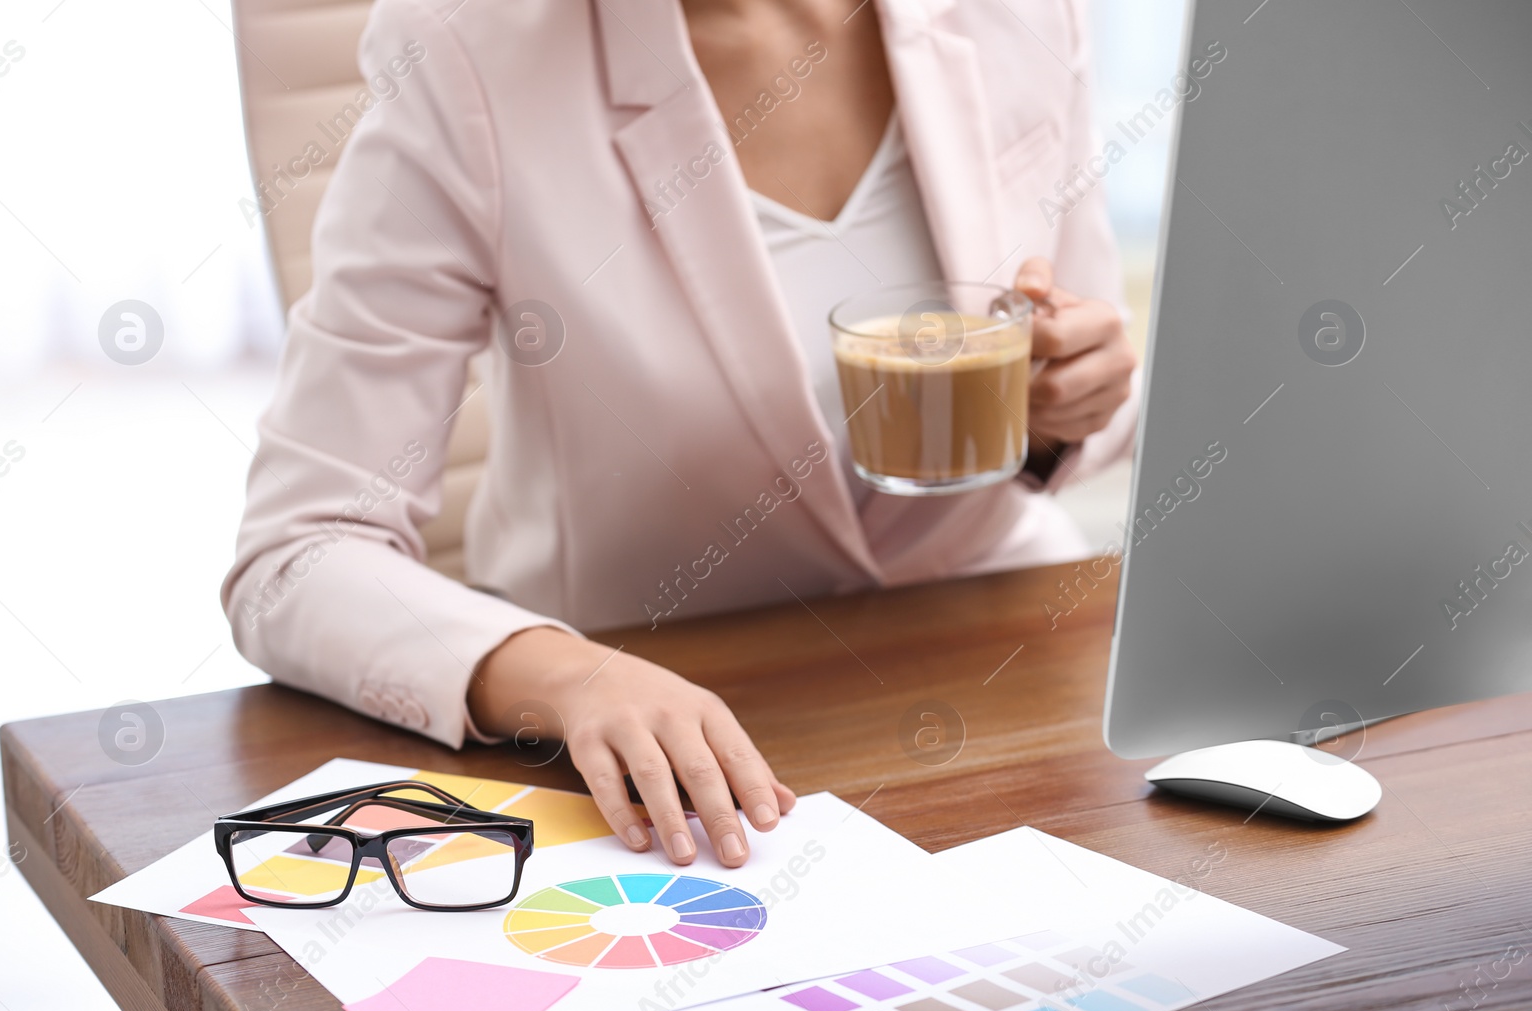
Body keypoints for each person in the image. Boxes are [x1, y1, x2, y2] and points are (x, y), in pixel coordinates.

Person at [223, 0, 1138, 870]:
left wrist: (1061, 410)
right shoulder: (472, 45)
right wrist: (566, 676)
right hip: (668, 748)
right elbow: (299, 555)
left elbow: (1093, 384)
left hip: (1005, 664)